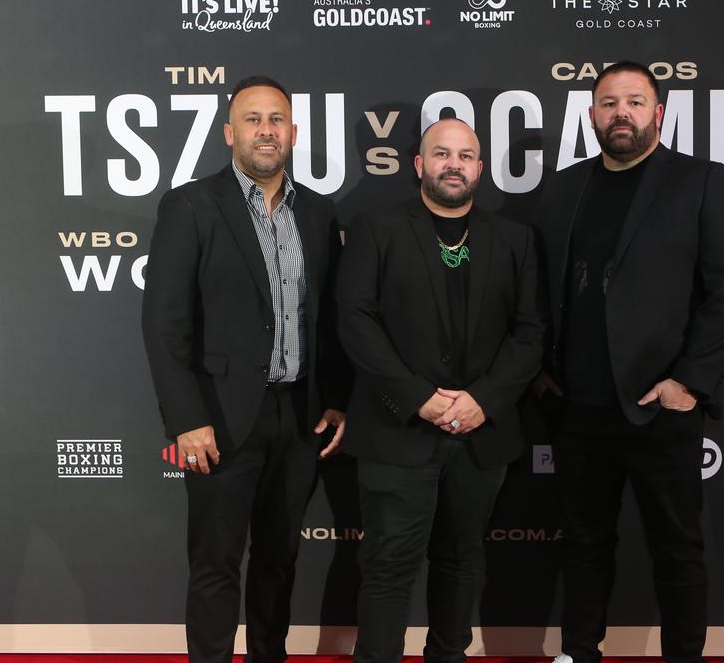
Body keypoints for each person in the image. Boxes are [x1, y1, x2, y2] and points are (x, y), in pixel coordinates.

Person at [533, 61, 724, 663]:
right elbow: (541, 286)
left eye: (633, 101)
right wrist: (544, 374)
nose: (619, 112)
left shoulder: (699, 180)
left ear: (659, 113)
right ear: (591, 115)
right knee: (582, 544)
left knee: (677, 547)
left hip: (661, 405)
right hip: (577, 407)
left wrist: (689, 382)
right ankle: (579, 651)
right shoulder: (564, 187)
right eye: (607, 103)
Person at [141, 74, 348, 663]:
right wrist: (186, 418)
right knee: (216, 565)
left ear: (294, 132)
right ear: (230, 132)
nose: (266, 131)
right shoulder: (190, 205)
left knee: (279, 562)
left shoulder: (318, 211)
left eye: (276, 120)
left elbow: (326, 318)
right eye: (253, 120)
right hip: (220, 418)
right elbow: (164, 323)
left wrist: (334, 398)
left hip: (299, 416)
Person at [336, 118, 544, 663]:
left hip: (482, 434)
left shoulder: (515, 239)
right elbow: (356, 321)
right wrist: (417, 397)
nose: (454, 163)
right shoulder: (375, 229)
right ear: (419, 165)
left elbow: (531, 332)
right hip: (396, 430)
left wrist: (484, 400)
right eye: (441, 153)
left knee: (463, 560)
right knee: (388, 565)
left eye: (465, 155)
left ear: (479, 167)